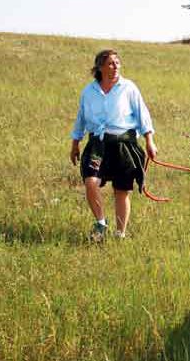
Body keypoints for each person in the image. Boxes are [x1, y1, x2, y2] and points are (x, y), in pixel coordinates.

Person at [69, 49, 158, 241]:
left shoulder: (129, 88)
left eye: (117, 62)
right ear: (100, 67)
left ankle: (120, 234)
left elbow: (143, 115)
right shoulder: (89, 92)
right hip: (97, 145)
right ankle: (101, 223)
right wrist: (75, 143)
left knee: (122, 190)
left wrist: (149, 140)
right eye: (110, 63)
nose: (115, 66)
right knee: (90, 181)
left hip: (124, 145)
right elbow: (81, 119)